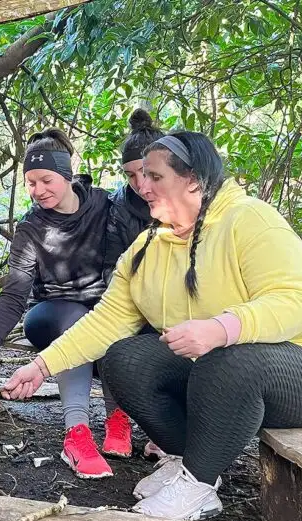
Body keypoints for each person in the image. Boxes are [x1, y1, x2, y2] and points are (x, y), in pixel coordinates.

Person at [2, 131, 302, 521]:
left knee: (228, 358)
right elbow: (106, 322)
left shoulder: (249, 219)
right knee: (125, 359)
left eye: (154, 177)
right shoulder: (149, 246)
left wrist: (221, 328)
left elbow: (295, 302)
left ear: (193, 181)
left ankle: (198, 485)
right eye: (139, 177)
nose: (142, 187)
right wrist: (40, 367)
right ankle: (188, 461)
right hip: (219, 375)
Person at [0, 128, 119, 479]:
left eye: (46, 180)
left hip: (102, 311)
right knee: (78, 318)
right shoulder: (31, 227)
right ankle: (76, 433)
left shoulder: (104, 205)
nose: (38, 191)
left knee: (111, 319)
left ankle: (117, 416)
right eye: (31, 183)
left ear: (66, 174)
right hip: (51, 314)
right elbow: (14, 295)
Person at [99, 109, 167, 460]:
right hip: (133, 299)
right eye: (130, 175)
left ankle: (166, 429)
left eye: (147, 173)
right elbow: (113, 267)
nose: (140, 185)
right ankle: (117, 417)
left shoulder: (186, 204)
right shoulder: (119, 207)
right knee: (118, 338)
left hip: (176, 306)